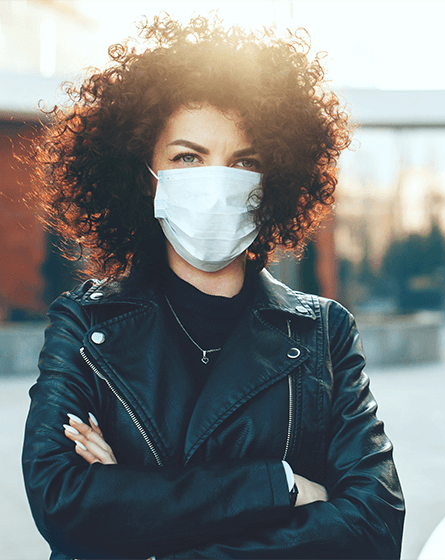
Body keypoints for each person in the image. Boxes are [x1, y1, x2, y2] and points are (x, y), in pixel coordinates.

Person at [22, 14, 404, 560]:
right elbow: (62, 503)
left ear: (275, 180)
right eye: (187, 157)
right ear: (145, 173)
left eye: (244, 162)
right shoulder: (84, 325)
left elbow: (373, 527)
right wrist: (281, 487)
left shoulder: (325, 332)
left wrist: (137, 514)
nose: (217, 182)